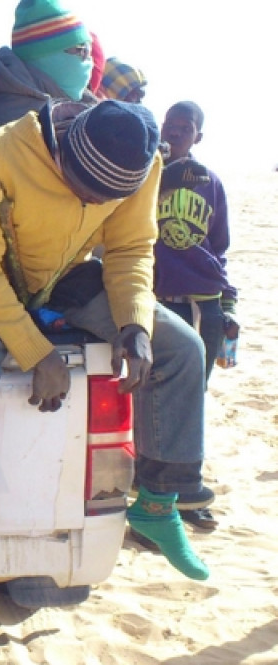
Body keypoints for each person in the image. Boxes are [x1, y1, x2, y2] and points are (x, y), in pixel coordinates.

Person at [0, 100, 210, 632]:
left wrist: (135, 326)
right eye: (84, 189)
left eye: (106, 197)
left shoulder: (142, 164)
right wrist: (39, 353)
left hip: (65, 277)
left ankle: (157, 502)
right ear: (66, 149)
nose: (94, 201)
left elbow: (128, 249)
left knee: (182, 348)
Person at [154, 100, 237, 530]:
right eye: (170, 125)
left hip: (201, 301)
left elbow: (218, 245)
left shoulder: (211, 183)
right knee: (151, 398)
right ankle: (152, 495)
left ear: (198, 137)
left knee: (192, 400)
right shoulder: (147, 172)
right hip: (158, 300)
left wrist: (226, 304)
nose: (175, 134)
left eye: (185, 129)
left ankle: (188, 494)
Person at [0, 0, 95, 149]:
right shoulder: (18, 118)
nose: (89, 60)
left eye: (89, 50)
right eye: (81, 49)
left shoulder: (63, 104)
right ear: (45, 57)